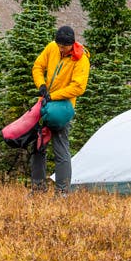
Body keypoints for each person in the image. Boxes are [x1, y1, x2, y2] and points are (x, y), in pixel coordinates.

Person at [29, 25, 90, 195]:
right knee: (38, 145)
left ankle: (62, 192)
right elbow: (38, 66)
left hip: (62, 109)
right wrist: (41, 84)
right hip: (45, 105)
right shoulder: (51, 47)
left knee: (60, 148)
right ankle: (38, 188)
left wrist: (53, 95)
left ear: (72, 44)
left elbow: (78, 87)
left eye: (65, 46)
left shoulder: (81, 59)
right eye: (59, 45)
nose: (61, 49)